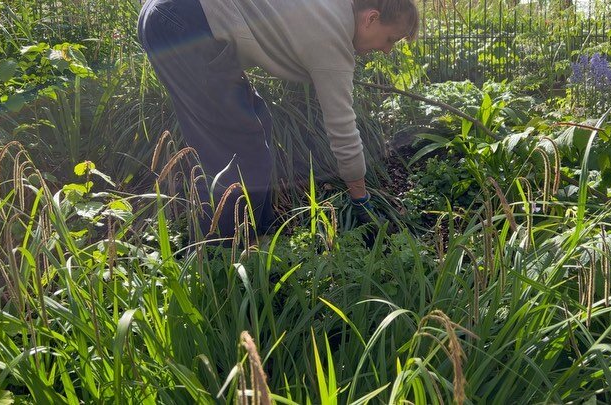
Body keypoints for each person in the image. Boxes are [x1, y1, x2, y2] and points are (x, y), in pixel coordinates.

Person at [137, 0, 419, 241]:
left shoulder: (332, 9)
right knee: (238, 154)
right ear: (371, 19)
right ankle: (225, 258)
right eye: (390, 39)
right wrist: (361, 198)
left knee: (256, 124)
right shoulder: (332, 38)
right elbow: (342, 128)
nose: (387, 50)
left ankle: (258, 235)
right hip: (183, 24)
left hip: (173, 16)